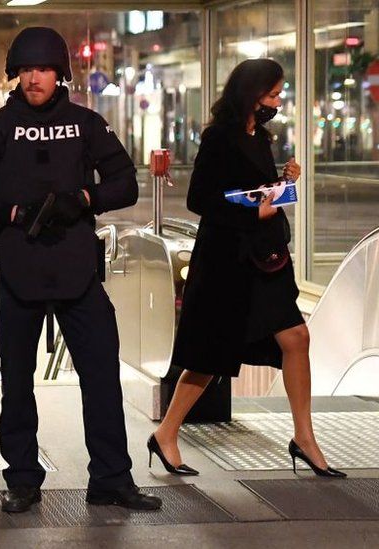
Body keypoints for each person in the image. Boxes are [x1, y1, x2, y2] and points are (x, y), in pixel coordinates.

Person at [0, 27, 162, 514]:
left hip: (77, 271)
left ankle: (110, 478)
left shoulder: (87, 125)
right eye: (25, 70)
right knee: (17, 384)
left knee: (102, 378)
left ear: (60, 73)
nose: (33, 78)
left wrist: (83, 199)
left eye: (42, 69)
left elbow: (125, 183)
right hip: (19, 269)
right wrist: (12, 214)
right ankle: (22, 479)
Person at [148, 58, 345, 479]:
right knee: (210, 356)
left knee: (296, 336)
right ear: (251, 93)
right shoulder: (220, 137)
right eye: (272, 94)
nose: (277, 101)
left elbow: (250, 190)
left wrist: (281, 181)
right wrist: (256, 213)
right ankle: (166, 432)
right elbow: (201, 199)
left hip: (266, 260)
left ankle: (304, 438)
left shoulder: (260, 136)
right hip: (228, 264)